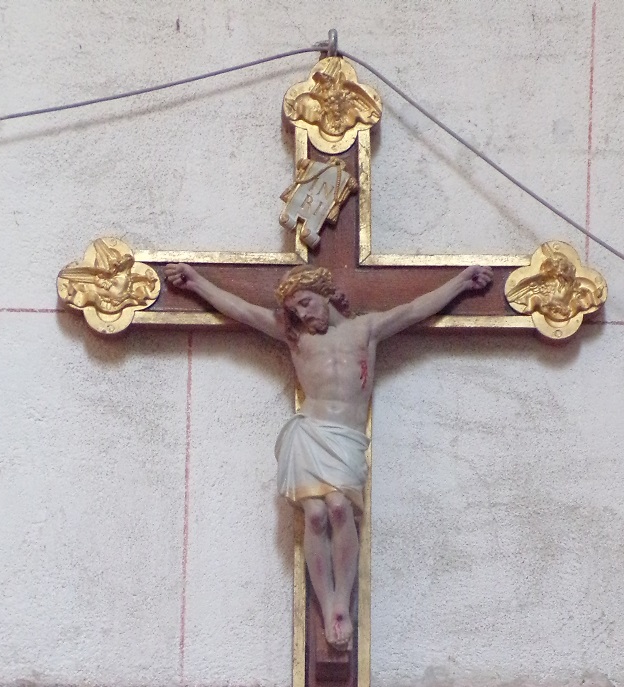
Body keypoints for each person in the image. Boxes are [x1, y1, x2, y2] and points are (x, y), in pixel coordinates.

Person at [165, 261, 492, 649]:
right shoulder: (296, 338)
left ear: (325, 294)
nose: (302, 315)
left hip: (346, 438)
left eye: (306, 303)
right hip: (311, 433)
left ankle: (343, 599)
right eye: (295, 311)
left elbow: (416, 309)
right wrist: (198, 283)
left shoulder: (365, 330)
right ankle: (329, 606)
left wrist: (460, 282)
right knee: (316, 514)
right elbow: (242, 311)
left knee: (340, 508)